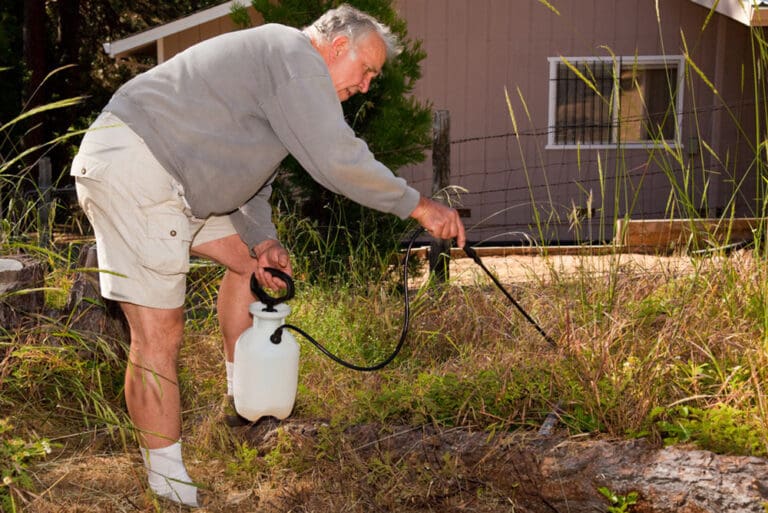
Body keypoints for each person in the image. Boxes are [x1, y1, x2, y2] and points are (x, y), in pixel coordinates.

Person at [71, 4, 466, 508]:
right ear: (339, 46)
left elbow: (252, 178)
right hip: (137, 162)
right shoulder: (292, 56)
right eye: (367, 71)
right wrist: (418, 206)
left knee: (252, 267)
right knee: (158, 332)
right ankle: (167, 486)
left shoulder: (282, 71)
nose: (367, 86)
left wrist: (262, 240)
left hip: (176, 177)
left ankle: (243, 405)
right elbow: (337, 160)